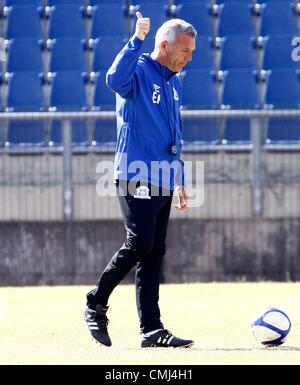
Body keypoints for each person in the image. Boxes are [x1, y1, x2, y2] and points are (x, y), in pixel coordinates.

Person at [85, 12, 197, 348]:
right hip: (134, 172)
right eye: (185, 51)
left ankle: (152, 330)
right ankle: (95, 302)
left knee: (153, 253)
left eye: (192, 52)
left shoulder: (173, 82)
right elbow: (113, 80)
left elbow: (174, 134)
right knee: (140, 243)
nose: (189, 58)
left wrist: (179, 179)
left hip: (164, 177)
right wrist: (136, 40)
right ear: (163, 45)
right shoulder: (137, 70)